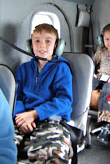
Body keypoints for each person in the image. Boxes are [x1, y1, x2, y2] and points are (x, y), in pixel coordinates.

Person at [13, 23, 73, 163]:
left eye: (48, 41)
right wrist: (20, 117)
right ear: (30, 45)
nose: (42, 45)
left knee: (49, 154)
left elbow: (64, 101)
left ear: (58, 46)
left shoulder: (61, 69)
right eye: (37, 41)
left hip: (51, 120)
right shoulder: (23, 69)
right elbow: (17, 96)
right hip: (23, 118)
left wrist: (34, 114)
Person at [0, 88, 17, 163]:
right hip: (20, 117)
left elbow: (58, 101)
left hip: (48, 118)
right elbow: (18, 95)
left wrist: (35, 114)